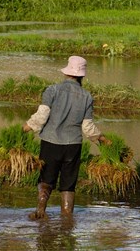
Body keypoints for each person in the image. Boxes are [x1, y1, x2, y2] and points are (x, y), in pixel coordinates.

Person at [23, 55, 111, 220]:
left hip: (50, 143)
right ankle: (67, 219)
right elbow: (87, 127)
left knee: (46, 179)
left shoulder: (53, 90)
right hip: (73, 146)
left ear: (66, 72)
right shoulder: (87, 97)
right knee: (68, 184)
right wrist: (101, 138)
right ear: (81, 75)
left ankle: (40, 212)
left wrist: (27, 126)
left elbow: (42, 116)